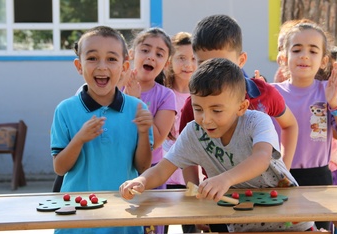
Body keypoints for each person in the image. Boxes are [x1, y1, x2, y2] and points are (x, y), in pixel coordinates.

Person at [120, 58, 315, 232]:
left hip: (289, 218)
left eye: (217, 110)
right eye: (198, 109)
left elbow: (261, 158)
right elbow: (163, 169)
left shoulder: (257, 121)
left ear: (241, 107)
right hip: (241, 223)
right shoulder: (193, 132)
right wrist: (142, 181)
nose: (206, 119)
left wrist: (225, 180)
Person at [50, 26, 153, 234]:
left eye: (112, 59)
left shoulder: (138, 109)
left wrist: (143, 132)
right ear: (79, 66)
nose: (102, 66)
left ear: (124, 67)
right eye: (93, 58)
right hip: (77, 220)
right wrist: (79, 139)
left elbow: (143, 167)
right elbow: (59, 168)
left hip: (123, 219)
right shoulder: (65, 110)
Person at [180, 14, 298, 171]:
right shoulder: (194, 106)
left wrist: (285, 166)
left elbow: (290, 125)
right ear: (195, 61)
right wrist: (194, 189)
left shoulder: (265, 94)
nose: (214, 71)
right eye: (204, 63)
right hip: (217, 191)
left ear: (241, 60)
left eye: (223, 62)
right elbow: (186, 152)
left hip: (265, 191)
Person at [271, 22, 337, 231]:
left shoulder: (331, 89)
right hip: (276, 177)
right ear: (284, 57)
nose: (304, 56)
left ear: (324, 60)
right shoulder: (271, 93)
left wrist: (334, 103)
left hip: (318, 179)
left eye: (313, 50)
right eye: (297, 49)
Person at [121, 27, 176, 234]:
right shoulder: (114, 88)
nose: (151, 57)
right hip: (119, 170)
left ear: (166, 63)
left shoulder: (166, 96)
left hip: (150, 175)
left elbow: (157, 140)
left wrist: (136, 101)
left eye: (159, 54)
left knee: (149, 229)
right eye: (145, 50)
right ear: (132, 54)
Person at [161, 32, 198, 234]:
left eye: (193, 59)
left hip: (191, 177)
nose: (188, 64)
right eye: (181, 58)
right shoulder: (163, 93)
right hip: (164, 176)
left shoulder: (201, 96)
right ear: (170, 61)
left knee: (192, 228)